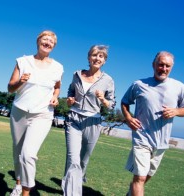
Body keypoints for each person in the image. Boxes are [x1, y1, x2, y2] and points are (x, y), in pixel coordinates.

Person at [121, 51, 184, 196]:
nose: (163, 69)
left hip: (161, 142)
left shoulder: (179, 87)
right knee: (140, 177)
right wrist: (128, 118)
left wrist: (175, 111)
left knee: (147, 175)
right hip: (142, 137)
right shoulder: (139, 84)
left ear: (171, 67)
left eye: (167, 66)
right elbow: (124, 102)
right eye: (161, 65)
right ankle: (136, 185)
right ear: (154, 65)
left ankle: (132, 190)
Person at [8, 30, 64, 196]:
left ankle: (26, 192)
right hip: (19, 111)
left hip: (43, 114)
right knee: (18, 152)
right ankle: (18, 184)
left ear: (53, 46)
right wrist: (20, 82)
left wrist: (55, 97)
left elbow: (57, 86)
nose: (47, 42)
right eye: (44, 39)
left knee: (28, 154)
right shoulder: (23, 61)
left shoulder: (58, 67)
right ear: (38, 41)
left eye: (51, 41)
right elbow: (10, 88)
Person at [62, 45, 116, 196]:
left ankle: (75, 182)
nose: (97, 58)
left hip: (93, 121)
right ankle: (71, 192)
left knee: (83, 161)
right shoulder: (77, 74)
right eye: (94, 55)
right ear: (88, 57)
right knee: (72, 158)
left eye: (101, 57)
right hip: (73, 119)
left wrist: (103, 100)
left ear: (104, 61)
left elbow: (112, 104)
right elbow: (70, 93)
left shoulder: (108, 80)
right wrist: (70, 100)